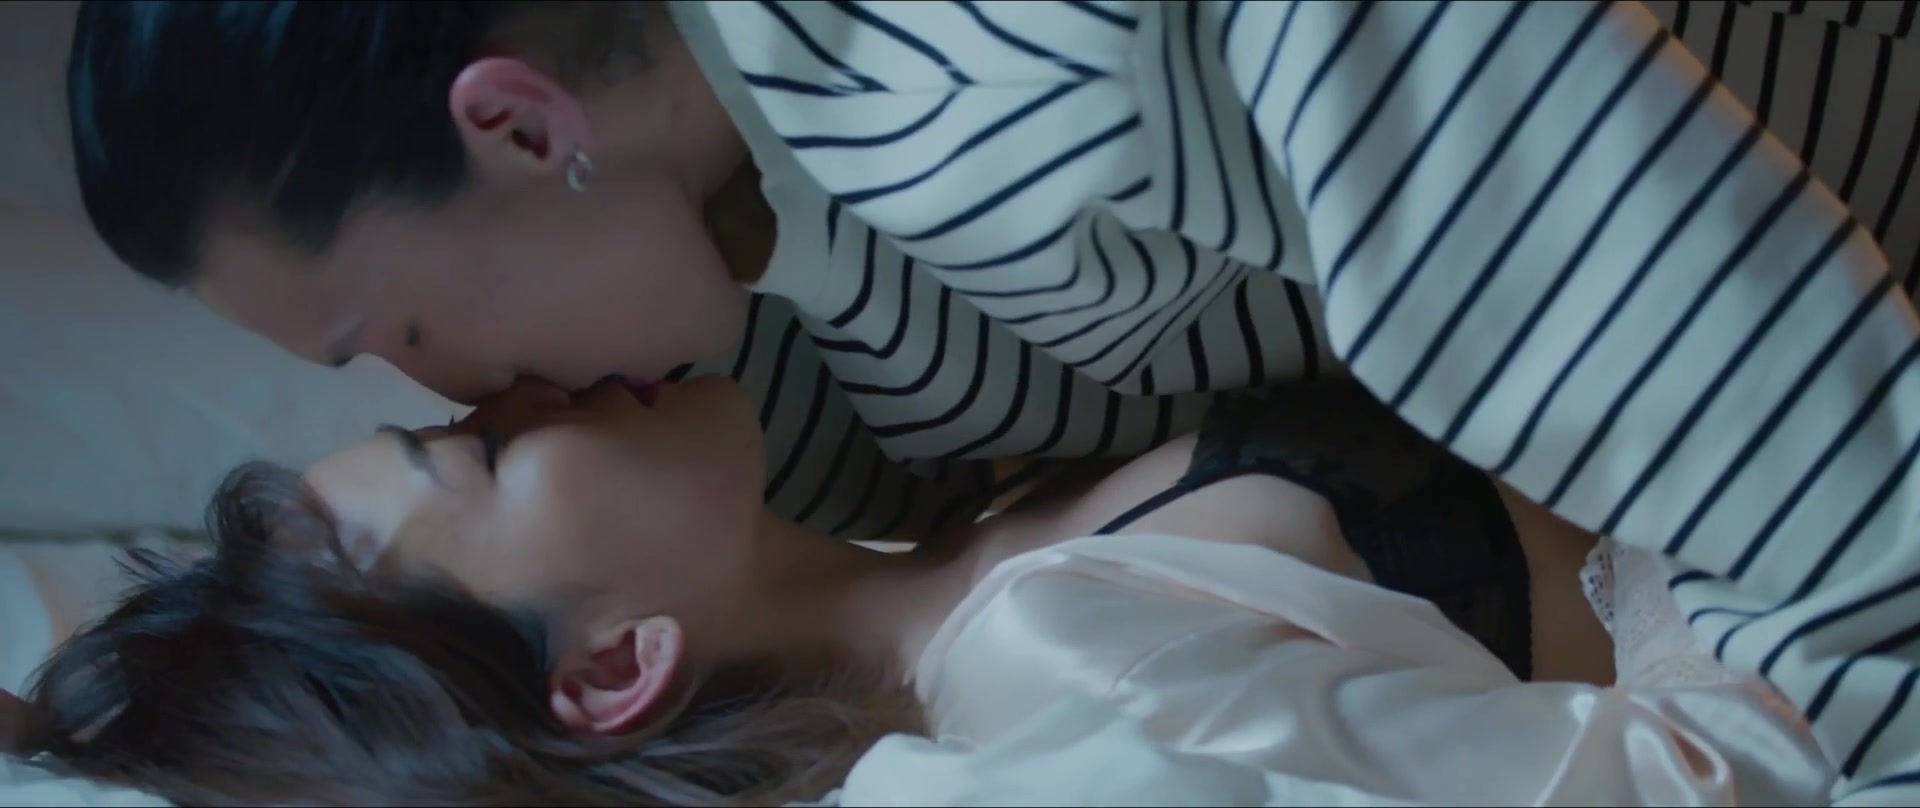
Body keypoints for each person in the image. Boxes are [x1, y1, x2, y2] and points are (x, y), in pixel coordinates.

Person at [60, 1, 1920, 800]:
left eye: (396, 335)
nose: (475, 388)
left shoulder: (1057, 57)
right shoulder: (750, 325)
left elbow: (1861, 558)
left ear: (525, 130)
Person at [5, 377, 1834, 806]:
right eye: (481, 449)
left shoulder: (908, 515)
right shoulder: (1055, 669)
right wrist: (1663, 408)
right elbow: (1702, 781)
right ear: (615, 671)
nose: (532, 389)